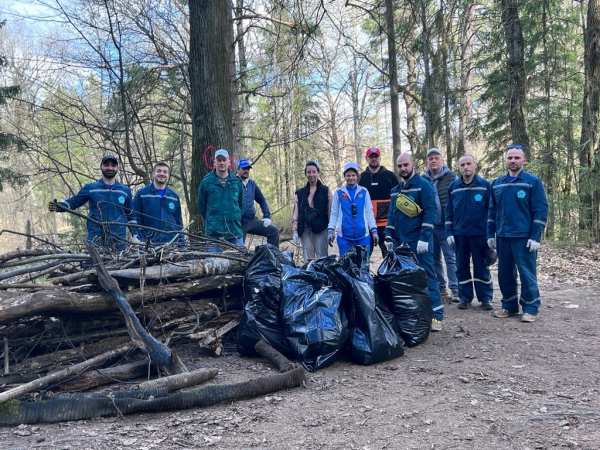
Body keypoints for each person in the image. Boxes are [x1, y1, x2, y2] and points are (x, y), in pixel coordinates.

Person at [488, 144, 548, 322]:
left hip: (524, 237)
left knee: (527, 273)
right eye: (510, 158)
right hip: (503, 236)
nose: (513, 161)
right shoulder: (497, 184)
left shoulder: (532, 182)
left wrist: (536, 236)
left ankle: (531, 307)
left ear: (524, 160)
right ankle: (509, 306)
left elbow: (541, 209)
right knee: (505, 273)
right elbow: (492, 211)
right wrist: (491, 234)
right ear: (506, 160)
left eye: (516, 158)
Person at [385, 153, 444, 331]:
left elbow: (431, 211)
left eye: (406, 165)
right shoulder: (396, 190)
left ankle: (437, 317)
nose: (403, 168)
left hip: (421, 242)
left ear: (413, 165)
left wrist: (425, 237)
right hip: (402, 243)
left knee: (428, 277)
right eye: (400, 166)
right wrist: (388, 236)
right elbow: (392, 215)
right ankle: (417, 315)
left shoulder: (423, 186)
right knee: (408, 280)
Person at [48, 152, 135, 251]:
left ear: (117, 168)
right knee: (93, 266)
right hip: (96, 238)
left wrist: (135, 235)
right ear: (101, 167)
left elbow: (131, 215)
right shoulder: (91, 188)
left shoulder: (124, 190)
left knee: (121, 265)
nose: (110, 168)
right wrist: (61, 206)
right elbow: (74, 202)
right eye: (106, 165)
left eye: (113, 165)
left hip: (119, 240)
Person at [446, 154, 493, 310]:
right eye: (462, 164)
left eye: (469, 164)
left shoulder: (485, 185)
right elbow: (449, 212)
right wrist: (449, 233)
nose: (466, 167)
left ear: (475, 166)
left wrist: (490, 235)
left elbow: (491, 211)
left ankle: (485, 298)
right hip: (460, 235)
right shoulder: (453, 187)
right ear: (459, 167)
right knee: (461, 267)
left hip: (480, 235)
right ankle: (464, 298)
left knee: (481, 266)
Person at [422, 147, 459, 303]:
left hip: (447, 225)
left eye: (436, 158)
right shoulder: (423, 179)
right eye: (430, 159)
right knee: (434, 259)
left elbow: (457, 199)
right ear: (427, 162)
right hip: (430, 226)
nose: (433, 161)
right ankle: (441, 289)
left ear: (442, 160)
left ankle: (456, 289)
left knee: (450, 258)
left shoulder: (452, 178)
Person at [328, 162, 378, 256]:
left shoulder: (364, 191)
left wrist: (374, 230)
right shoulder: (339, 192)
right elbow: (334, 213)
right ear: (344, 176)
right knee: (346, 268)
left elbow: (369, 212)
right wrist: (331, 230)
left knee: (363, 268)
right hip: (344, 238)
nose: (351, 178)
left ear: (357, 176)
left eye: (353, 175)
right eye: (348, 175)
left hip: (363, 237)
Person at [132, 161, 186, 247]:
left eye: (165, 172)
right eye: (159, 171)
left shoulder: (174, 196)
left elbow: (179, 223)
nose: (162, 174)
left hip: (171, 245)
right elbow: (135, 218)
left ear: (168, 175)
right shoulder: (142, 194)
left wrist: (182, 243)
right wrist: (140, 239)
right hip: (149, 245)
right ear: (153, 174)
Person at [197, 149, 244, 247]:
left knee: (239, 262)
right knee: (214, 262)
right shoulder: (206, 182)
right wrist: (213, 221)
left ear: (229, 162)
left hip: (235, 232)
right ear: (214, 162)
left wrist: (235, 217)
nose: (221, 163)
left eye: (224, 160)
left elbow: (241, 204)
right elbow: (201, 206)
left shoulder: (236, 181)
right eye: (219, 160)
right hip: (214, 235)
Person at [359, 146, 398, 257]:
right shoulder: (361, 178)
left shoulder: (390, 176)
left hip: (387, 225)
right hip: (367, 225)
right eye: (371, 156)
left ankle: (390, 274)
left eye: (376, 156)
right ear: (367, 158)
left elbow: (398, 198)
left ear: (380, 158)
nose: (374, 159)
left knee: (390, 257)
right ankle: (364, 274)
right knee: (364, 257)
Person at [292, 160, 332, 262]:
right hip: (305, 230)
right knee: (308, 260)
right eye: (309, 172)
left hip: (321, 230)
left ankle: (322, 278)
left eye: (314, 172)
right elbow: (296, 213)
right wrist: (294, 230)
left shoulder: (326, 191)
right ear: (305, 173)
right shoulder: (299, 193)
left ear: (318, 173)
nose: (311, 174)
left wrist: (332, 230)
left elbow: (330, 211)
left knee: (322, 259)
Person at [237, 159, 279, 247]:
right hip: (238, 223)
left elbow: (262, 200)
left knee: (273, 231)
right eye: (244, 168)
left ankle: (272, 257)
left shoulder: (252, 184)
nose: (246, 171)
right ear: (238, 169)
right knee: (239, 248)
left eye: (248, 169)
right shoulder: (233, 183)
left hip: (252, 221)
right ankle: (240, 260)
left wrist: (267, 216)